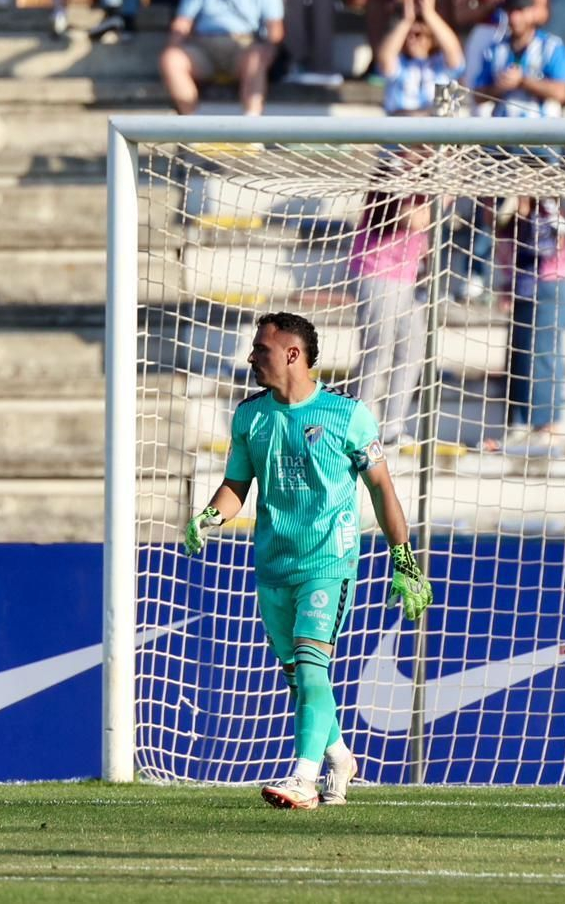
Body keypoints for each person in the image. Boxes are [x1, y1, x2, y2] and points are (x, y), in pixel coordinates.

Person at [182, 311, 431, 808]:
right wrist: (210, 515)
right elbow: (237, 484)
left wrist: (403, 558)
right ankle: (340, 756)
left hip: (329, 562)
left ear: (292, 354)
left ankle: (304, 778)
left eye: (261, 349)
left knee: (314, 666)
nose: (252, 357)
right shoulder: (251, 416)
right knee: (300, 678)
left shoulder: (348, 415)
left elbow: (380, 487)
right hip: (274, 565)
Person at [489, 194, 565, 450]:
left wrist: (525, 210)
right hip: (522, 291)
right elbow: (505, 249)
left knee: (543, 357)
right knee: (521, 357)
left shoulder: (547, 210)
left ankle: (548, 429)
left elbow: (545, 247)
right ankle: (522, 425)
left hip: (548, 288)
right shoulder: (505, 212)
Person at [351, 186, 430, 447]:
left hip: (409, 278)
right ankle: (358, 425)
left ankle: (394, 427)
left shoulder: (428, 177)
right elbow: (416, 218)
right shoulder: (393, 174)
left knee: (412, 349)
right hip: (378, 273)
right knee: (377, 350)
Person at [474, 0, 565, 117]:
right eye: (510, 11)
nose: (514, 18)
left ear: (532, 12)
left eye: (520, 11)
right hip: (504, 127)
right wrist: (500, 87)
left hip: (543, 126)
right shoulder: (494, 49)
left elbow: (561, 93)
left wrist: (523, 81)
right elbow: (478, 95)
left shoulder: (551, 47)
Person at [377, 0, 464, 116]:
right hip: (402, 124)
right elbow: (384, 58)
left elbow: (454, 50)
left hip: (434, 126)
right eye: (408, 35)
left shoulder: (441, 64)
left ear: (431, 38)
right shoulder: (400, 64)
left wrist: (430, 15)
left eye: (418, 35)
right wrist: (406, 21)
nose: (411, 40)